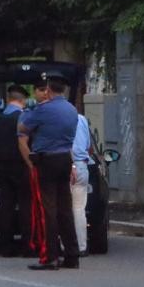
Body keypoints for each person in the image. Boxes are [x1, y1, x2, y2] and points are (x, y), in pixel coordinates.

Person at [19, 71, 79, 271]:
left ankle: (50, 256)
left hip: (46, 161)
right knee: (65, 209)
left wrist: (28, 110)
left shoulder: (42, 109)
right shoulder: (72, 109)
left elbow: (22, 128)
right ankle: (72, 254)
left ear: (48, 90)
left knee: (47, 210)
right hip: (65, 159)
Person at [0, 85, 33, 257]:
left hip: (2, 166)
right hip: (21, 165)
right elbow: (27, 142)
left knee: (6, 206)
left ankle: (5, 246)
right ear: (23, 100)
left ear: (9, 99)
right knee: (26, 206)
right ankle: (27, 245)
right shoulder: (24, 117)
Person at [70, 113, 95, 257]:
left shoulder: (57, 118)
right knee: (79, 208)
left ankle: (64, 244)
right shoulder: (81, 119)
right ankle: (81, 246)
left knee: (62, 207)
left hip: (68, 165)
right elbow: (88, 145)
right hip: (82, 166)